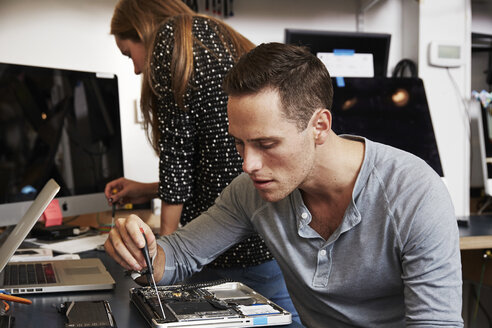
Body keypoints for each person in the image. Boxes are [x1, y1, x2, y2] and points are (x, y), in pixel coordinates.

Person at [105, 42, 464, 327]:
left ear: (320, 126)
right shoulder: (252, 191)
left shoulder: (414, 195)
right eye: (239, 143)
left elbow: (436, 323)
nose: (248, 164)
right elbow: (178, 256)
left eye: (266, 144)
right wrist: (141, 248)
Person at [103, 0, 298, 320]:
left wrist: (157, 254)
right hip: (267, 243)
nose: (137, 68)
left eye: (129, 54)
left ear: (141, 30)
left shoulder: (170, 39)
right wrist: (148, 190)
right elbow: (217, 163)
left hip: (226, 253)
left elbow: (177, 156)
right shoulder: (215, 36)